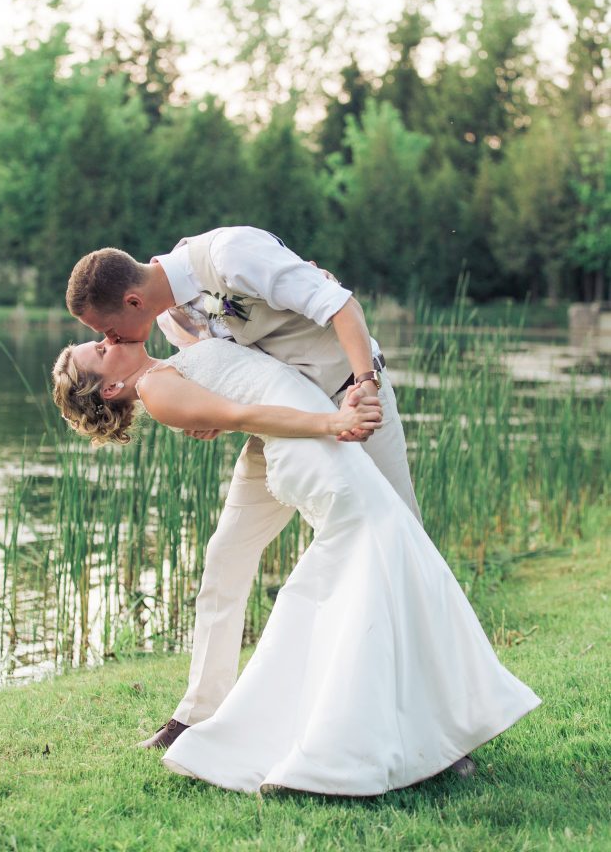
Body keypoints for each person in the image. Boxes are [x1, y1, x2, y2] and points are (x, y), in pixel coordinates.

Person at [52, 334, 540, 796]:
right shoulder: (156, 388)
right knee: (365, 564)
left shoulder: (171, 346)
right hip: (308, 442)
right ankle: (369, 735)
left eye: (102, 336)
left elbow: (235, 377)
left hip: (310, 433)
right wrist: (330, 423)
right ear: (111, 387)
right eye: (98, 349)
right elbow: (242, 412)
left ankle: (421, 729)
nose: (107, 339)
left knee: (378, 560)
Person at [65, 227, 424, 755]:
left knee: (405, 548)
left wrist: (365, 384)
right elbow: (233, 373)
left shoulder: (232, 255)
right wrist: (207, 414)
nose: (112, 342)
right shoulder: (167, 318)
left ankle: (433, 726)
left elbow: (342, 306)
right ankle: (197, 715)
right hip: (284, 428)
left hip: (353, 401)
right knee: (225, 556)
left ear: (132, 300)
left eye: (107, 331)